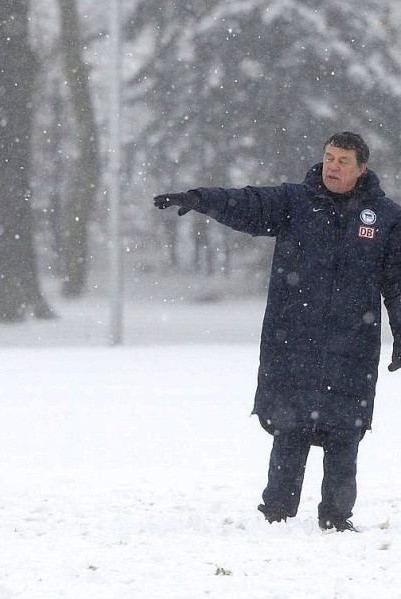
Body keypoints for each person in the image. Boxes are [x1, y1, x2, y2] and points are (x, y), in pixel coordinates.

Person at [154, 131, 401, 532]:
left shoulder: (386, 219)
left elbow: (397, 283)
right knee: (292, 427)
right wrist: (200, 199)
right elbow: (245, 203)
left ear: (362, 169)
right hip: (294, 341)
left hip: (352, 345)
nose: (332, 167)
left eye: (342, 161)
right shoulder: (294, 202)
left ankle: (338, 519)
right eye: (328, 158)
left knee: (344, 433)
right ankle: (277, 514)